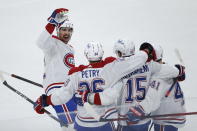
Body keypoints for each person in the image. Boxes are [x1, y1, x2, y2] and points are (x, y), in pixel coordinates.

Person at [33, 41, 156, 131]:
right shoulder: (111, 68)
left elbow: (63, 95)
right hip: (105, 122)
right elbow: (133, 62)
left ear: (86, 55)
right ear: (102, 53)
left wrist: (45, 100)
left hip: (82, 124)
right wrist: (145, 52)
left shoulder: (76, 74)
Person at [83, 42, 185, 131]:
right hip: (144, 121)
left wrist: (89, 97)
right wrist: (178, 70)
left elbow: (109, 96)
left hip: (126, 119)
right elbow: (171, 71)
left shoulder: (121, 70)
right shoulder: (150, 67)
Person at [35, 8, 77, 131]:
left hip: (68, 89)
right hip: (58, 90)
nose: (67, 33)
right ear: (58, 30)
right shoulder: (52, 43)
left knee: (72, 125)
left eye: (70, 30)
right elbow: (40, 42)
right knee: (74, 125)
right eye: (63, 29)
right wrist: (52, 23)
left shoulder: (69, 48)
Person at [147, 45, 186, 131]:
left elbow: (152, 101)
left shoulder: (157, 74)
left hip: (165, 118)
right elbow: (181, 75)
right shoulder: (170, 69)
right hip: (176, 115)